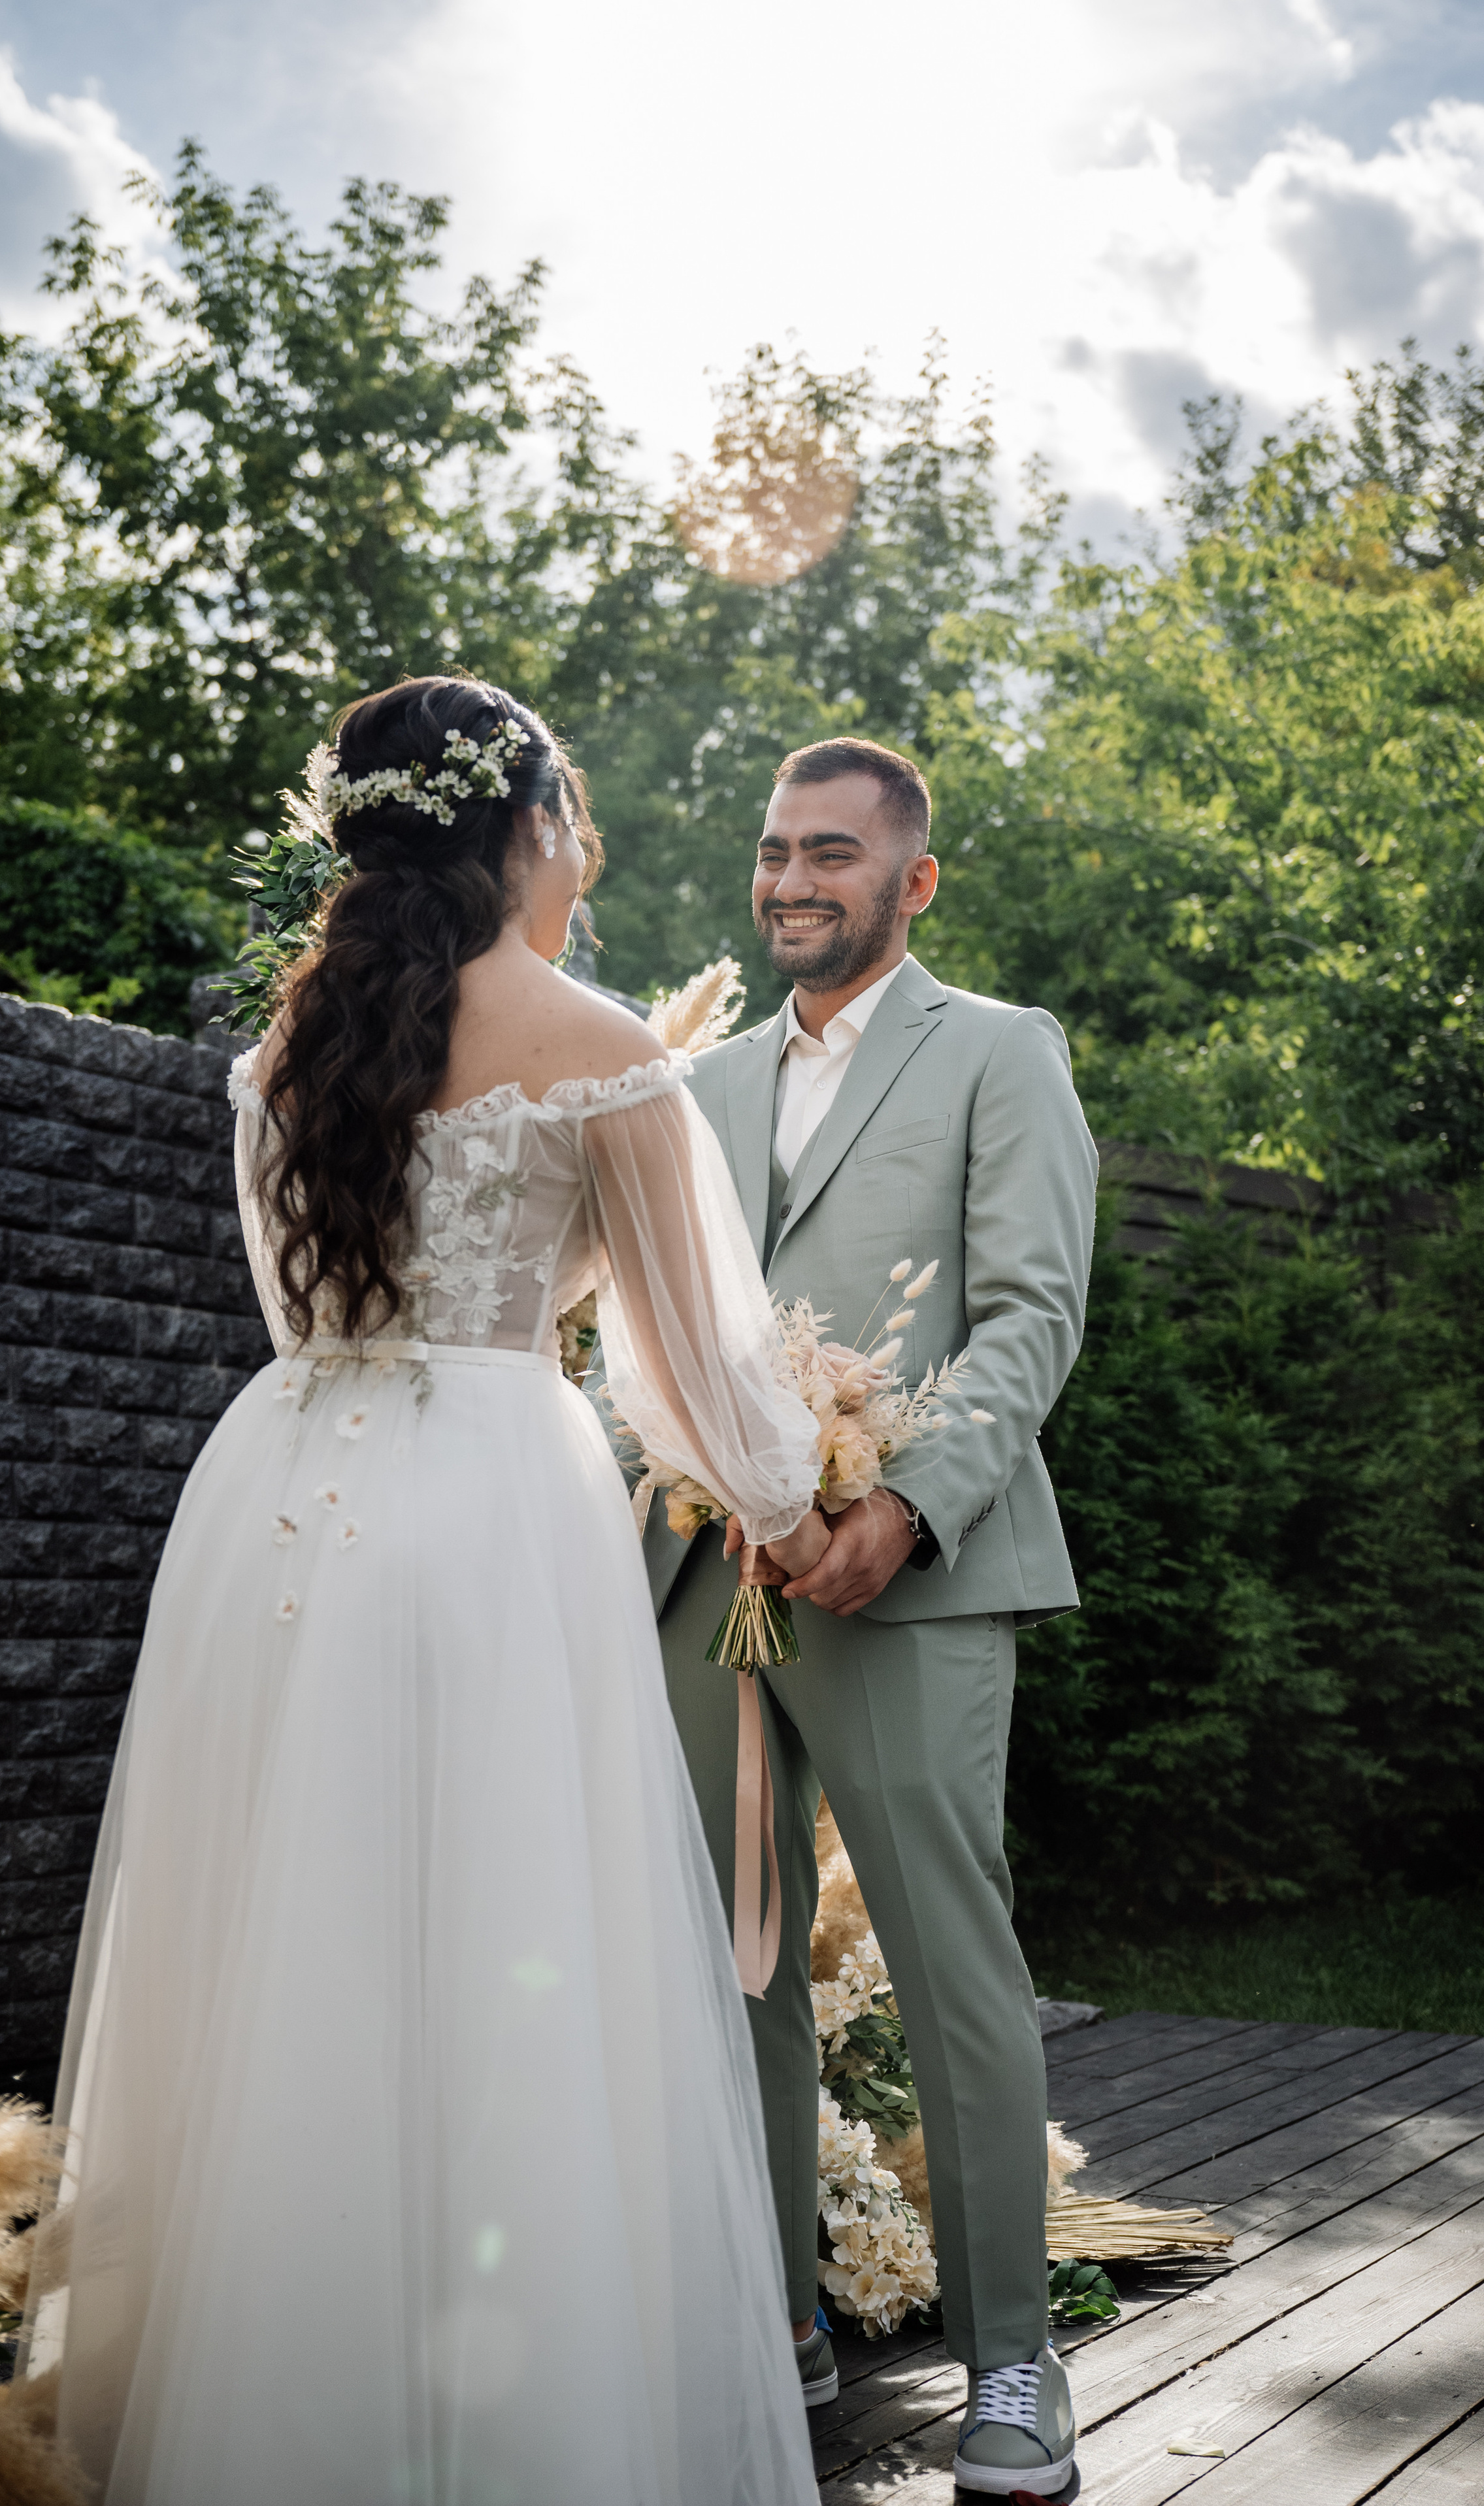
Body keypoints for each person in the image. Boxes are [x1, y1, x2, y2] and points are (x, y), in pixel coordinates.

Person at [19, 678, 829, 2505]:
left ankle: (272, 2408)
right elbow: (698, 1379)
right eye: (573, 813)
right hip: (487, 1503)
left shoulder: (279, 1056)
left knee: (283, 1934)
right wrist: (803, 1486)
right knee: (504, 1931)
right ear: (524, 820)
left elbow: (293, 1301)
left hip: (279, 1495)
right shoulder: (600, 1043)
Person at [633, 738, 1097, 2498]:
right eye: (773, 851)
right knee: (733, 1961)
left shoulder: (998, 1051)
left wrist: (901, 1505)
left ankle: (1011, 2360)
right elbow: (660, 1321)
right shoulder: (690, 1081)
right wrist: (702, 1473)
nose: (790, 881)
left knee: (949, 1961)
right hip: (706, 1575)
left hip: (916, 1570)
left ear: (914, 879)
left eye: (831, 850)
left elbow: (1034, 1312)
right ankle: (783, 2320)